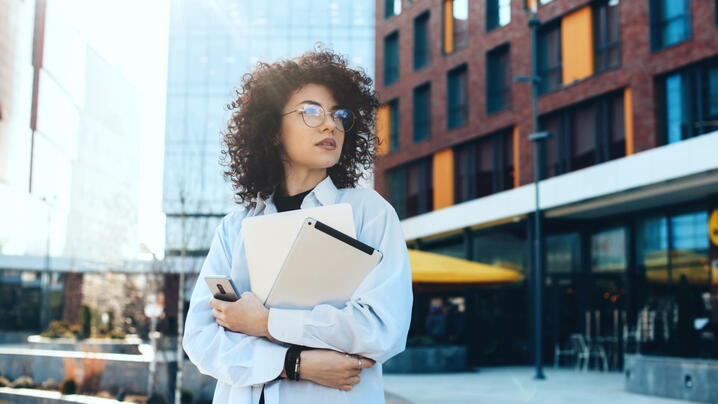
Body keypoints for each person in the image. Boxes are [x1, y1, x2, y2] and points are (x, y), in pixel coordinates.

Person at [182, 48, 413, 404]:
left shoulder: (368, 212)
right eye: (310, 111)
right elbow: (201, 338)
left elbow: (382, 329)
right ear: (272, 130)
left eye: (339, 114)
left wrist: (265, 323)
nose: (330, 124)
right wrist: (295, 363)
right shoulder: (235, 227)